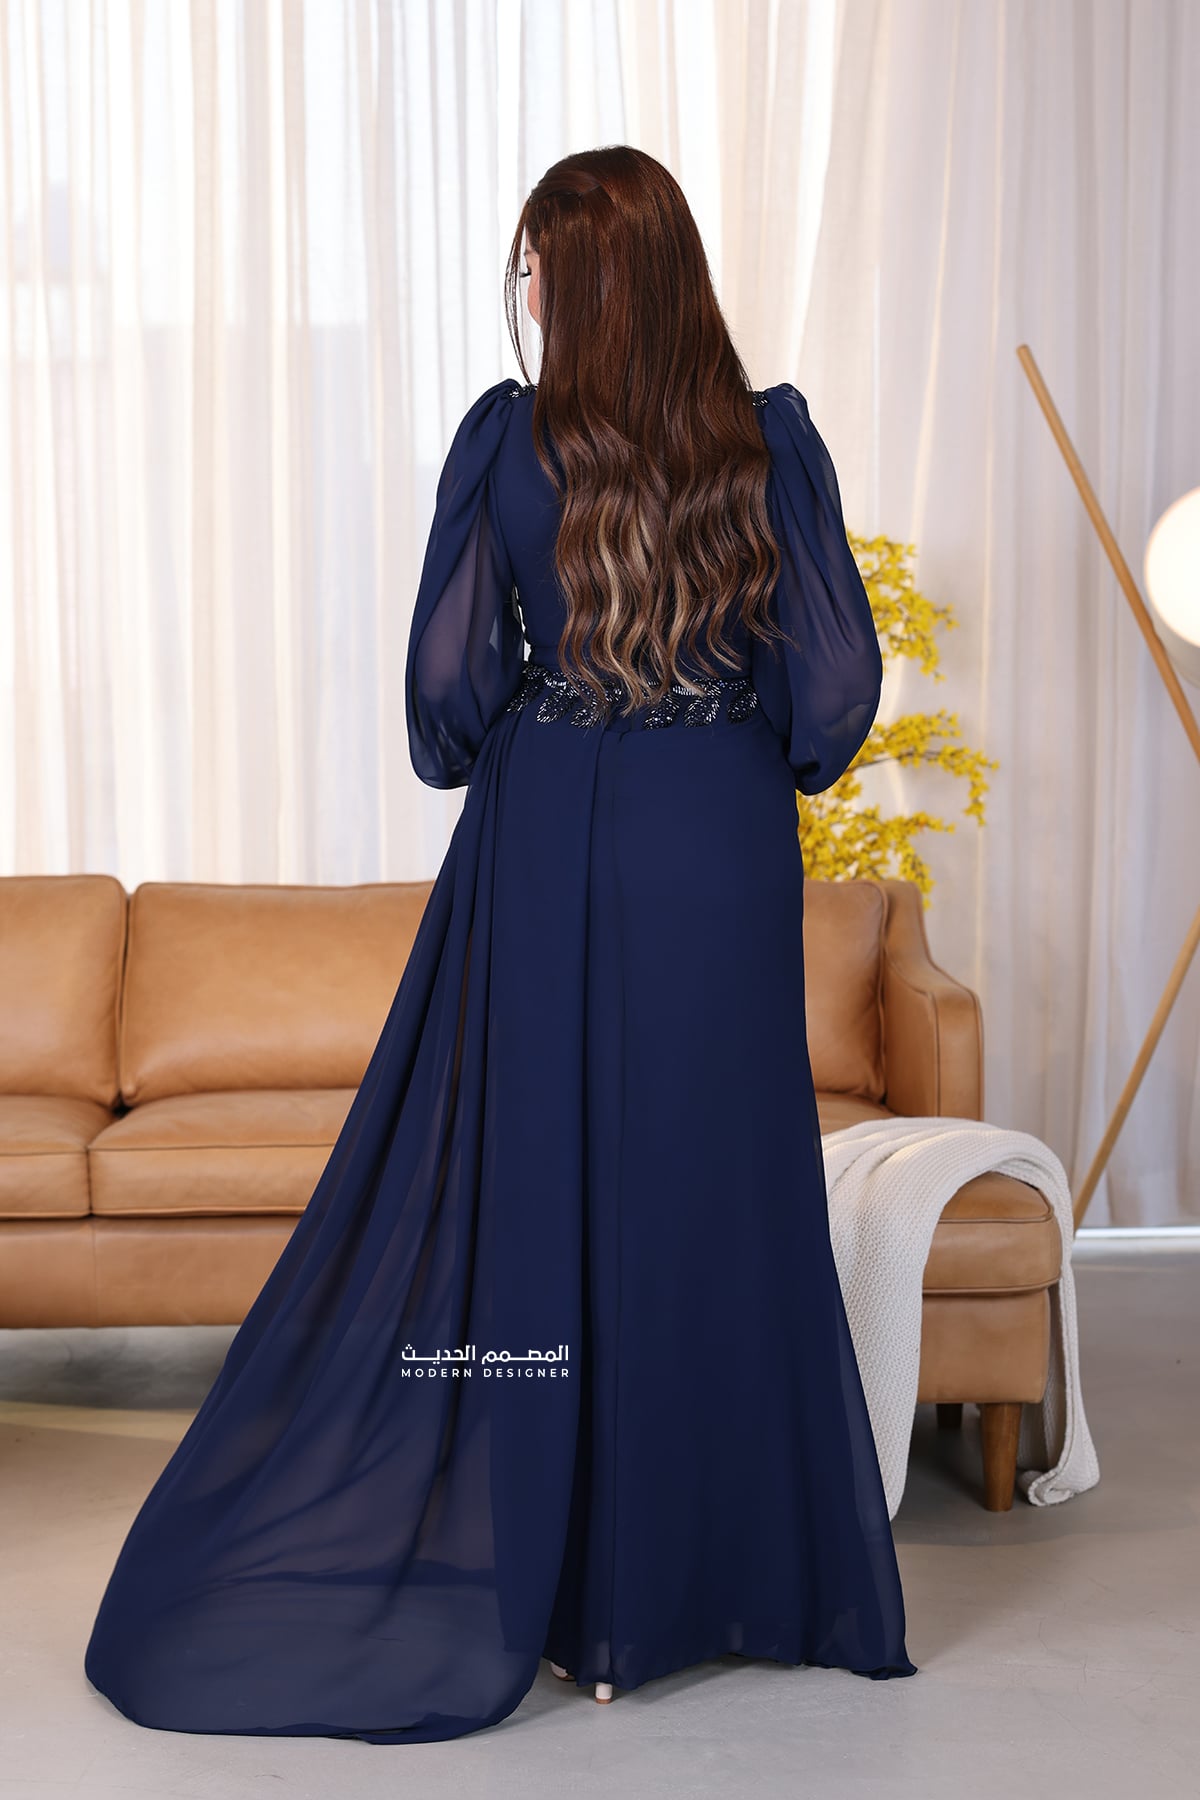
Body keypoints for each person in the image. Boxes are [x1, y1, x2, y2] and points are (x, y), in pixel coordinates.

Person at [83, 144, 917, 1746]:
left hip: (553, 841)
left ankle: (574, 1600)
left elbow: (448, 705)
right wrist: (714, 715)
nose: (524, 290)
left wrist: (551, 698)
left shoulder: (509, 441)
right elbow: (826, 709)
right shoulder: (770, 442)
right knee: (719, 1191)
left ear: (585, 280)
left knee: (556, 1195)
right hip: (720, 844)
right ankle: (738, 1587)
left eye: (535, 264)